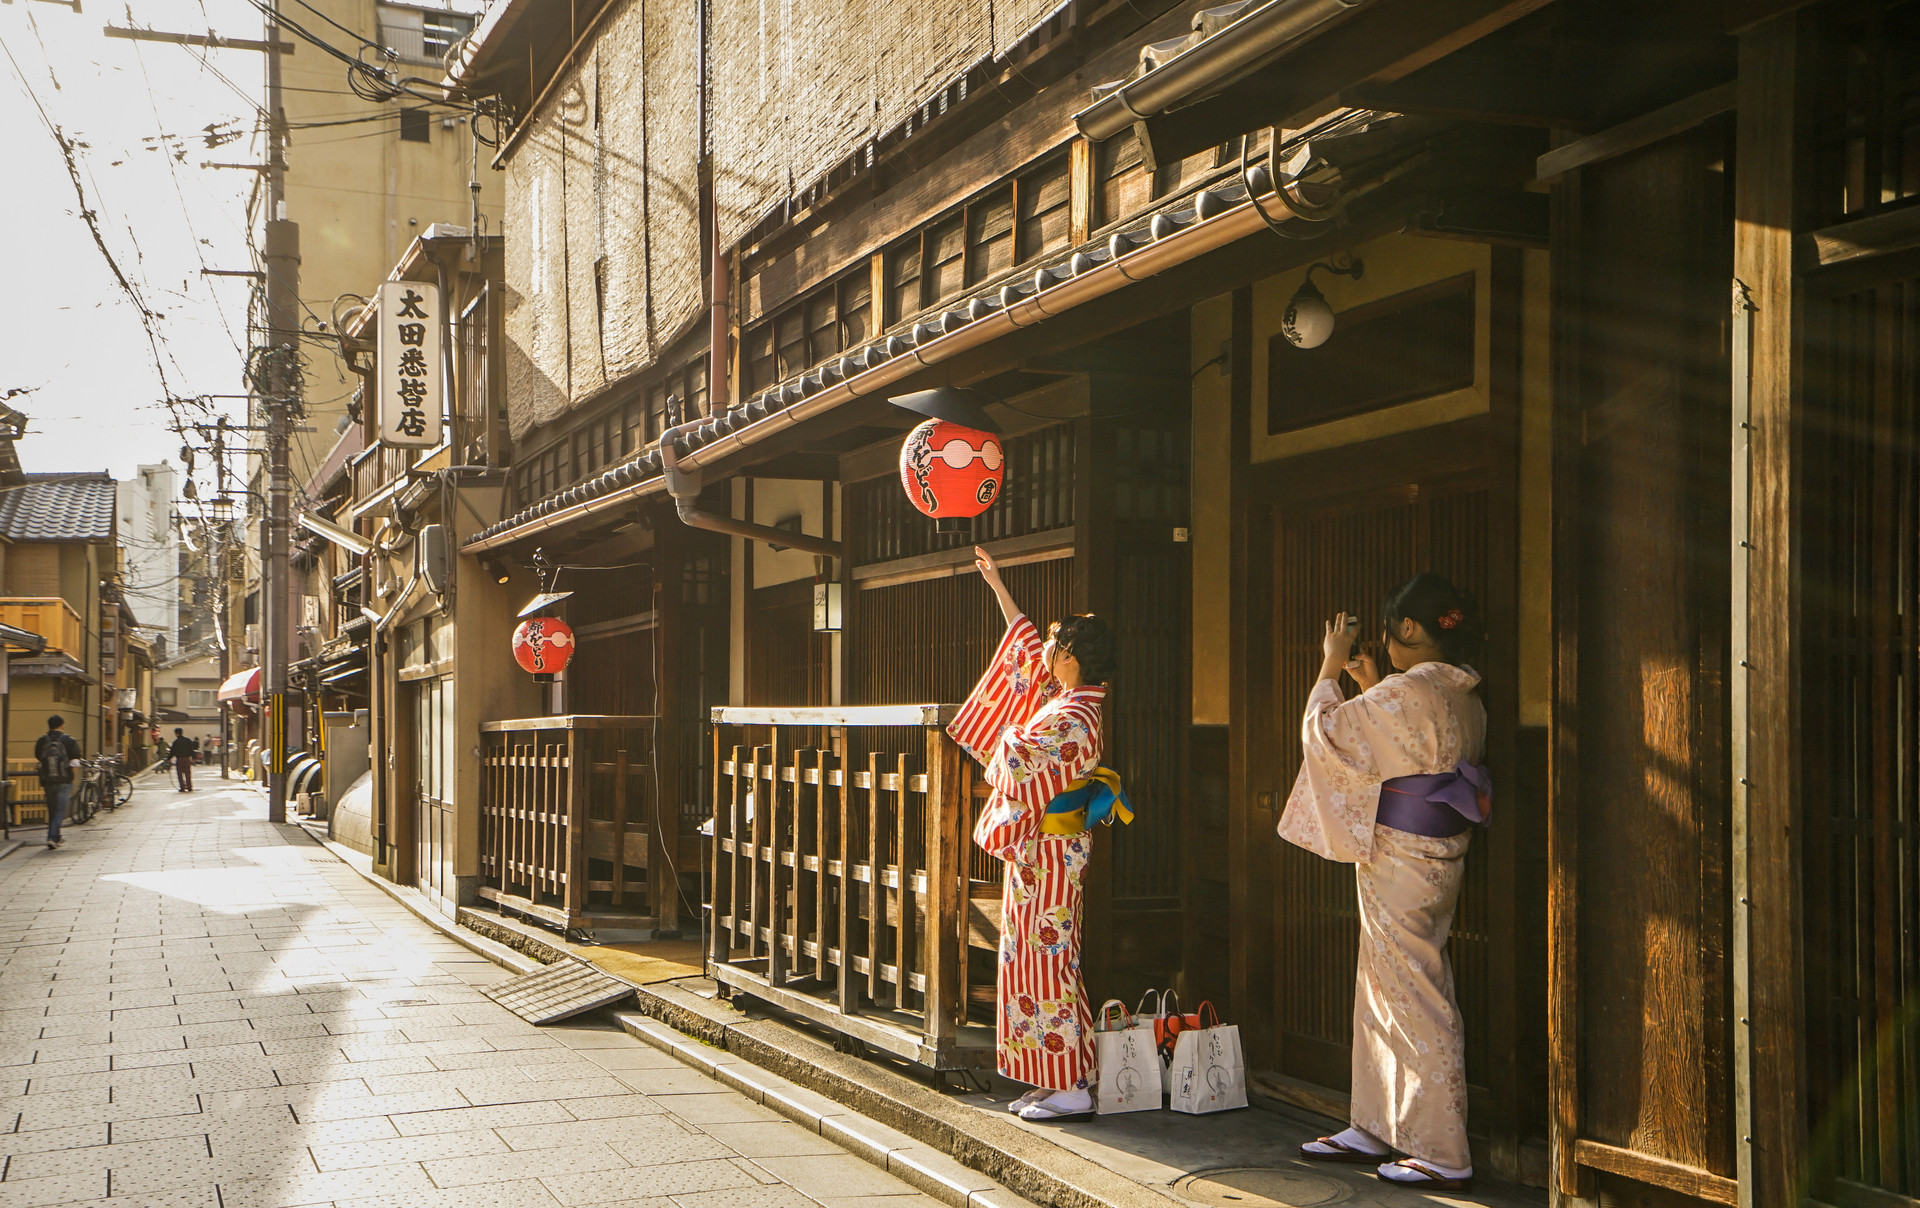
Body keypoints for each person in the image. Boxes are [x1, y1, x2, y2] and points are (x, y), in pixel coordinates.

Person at [1285, 574, 1489, 1193]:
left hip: (1402, 855)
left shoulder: (1406, 693)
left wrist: (1329, 663)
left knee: (1414, 989)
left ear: (1406, 629)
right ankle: (1375, 1123)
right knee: (1385, 981)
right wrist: (1373, 685)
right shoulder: (1461, 691)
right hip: (1436, 849)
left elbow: (1326, 735)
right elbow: (1403, 746)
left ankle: (1443, 1149)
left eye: (1388, 631)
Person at [948, 547, 1127, 1122]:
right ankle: (1051, 1077)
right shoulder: (1067, 702)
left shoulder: (1076, 718)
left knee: (1049, 961)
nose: (1045, 653)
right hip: (1040, 854)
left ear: (1071, 657)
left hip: (1052, 853)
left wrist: (1007, 739)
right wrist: (997, 585)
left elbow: (1022, 765)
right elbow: (1025, 645)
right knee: (1027, 957)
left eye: (1056, 645)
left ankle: (1073, 1083)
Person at [35, 715, 80, 850]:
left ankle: (56, 836)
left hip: (48, 779)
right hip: (64, 779)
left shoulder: (42, 741)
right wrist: (72, 777)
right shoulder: (69, 740)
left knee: (52, 809)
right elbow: (75, 761)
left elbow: (39, 758)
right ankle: (52, 837)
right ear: (62, 724)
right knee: (60, 810)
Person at [169, 728, 198, 792]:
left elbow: (172, 751)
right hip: (187, 759)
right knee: (187, 773)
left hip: (179, 759)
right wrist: (194, 757)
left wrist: (169, 758)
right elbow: (191, 750)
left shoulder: (175, 742)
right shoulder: (188, 740)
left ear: (176, 733)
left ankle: (182, 787)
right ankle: (189, 787)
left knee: (180, 774)